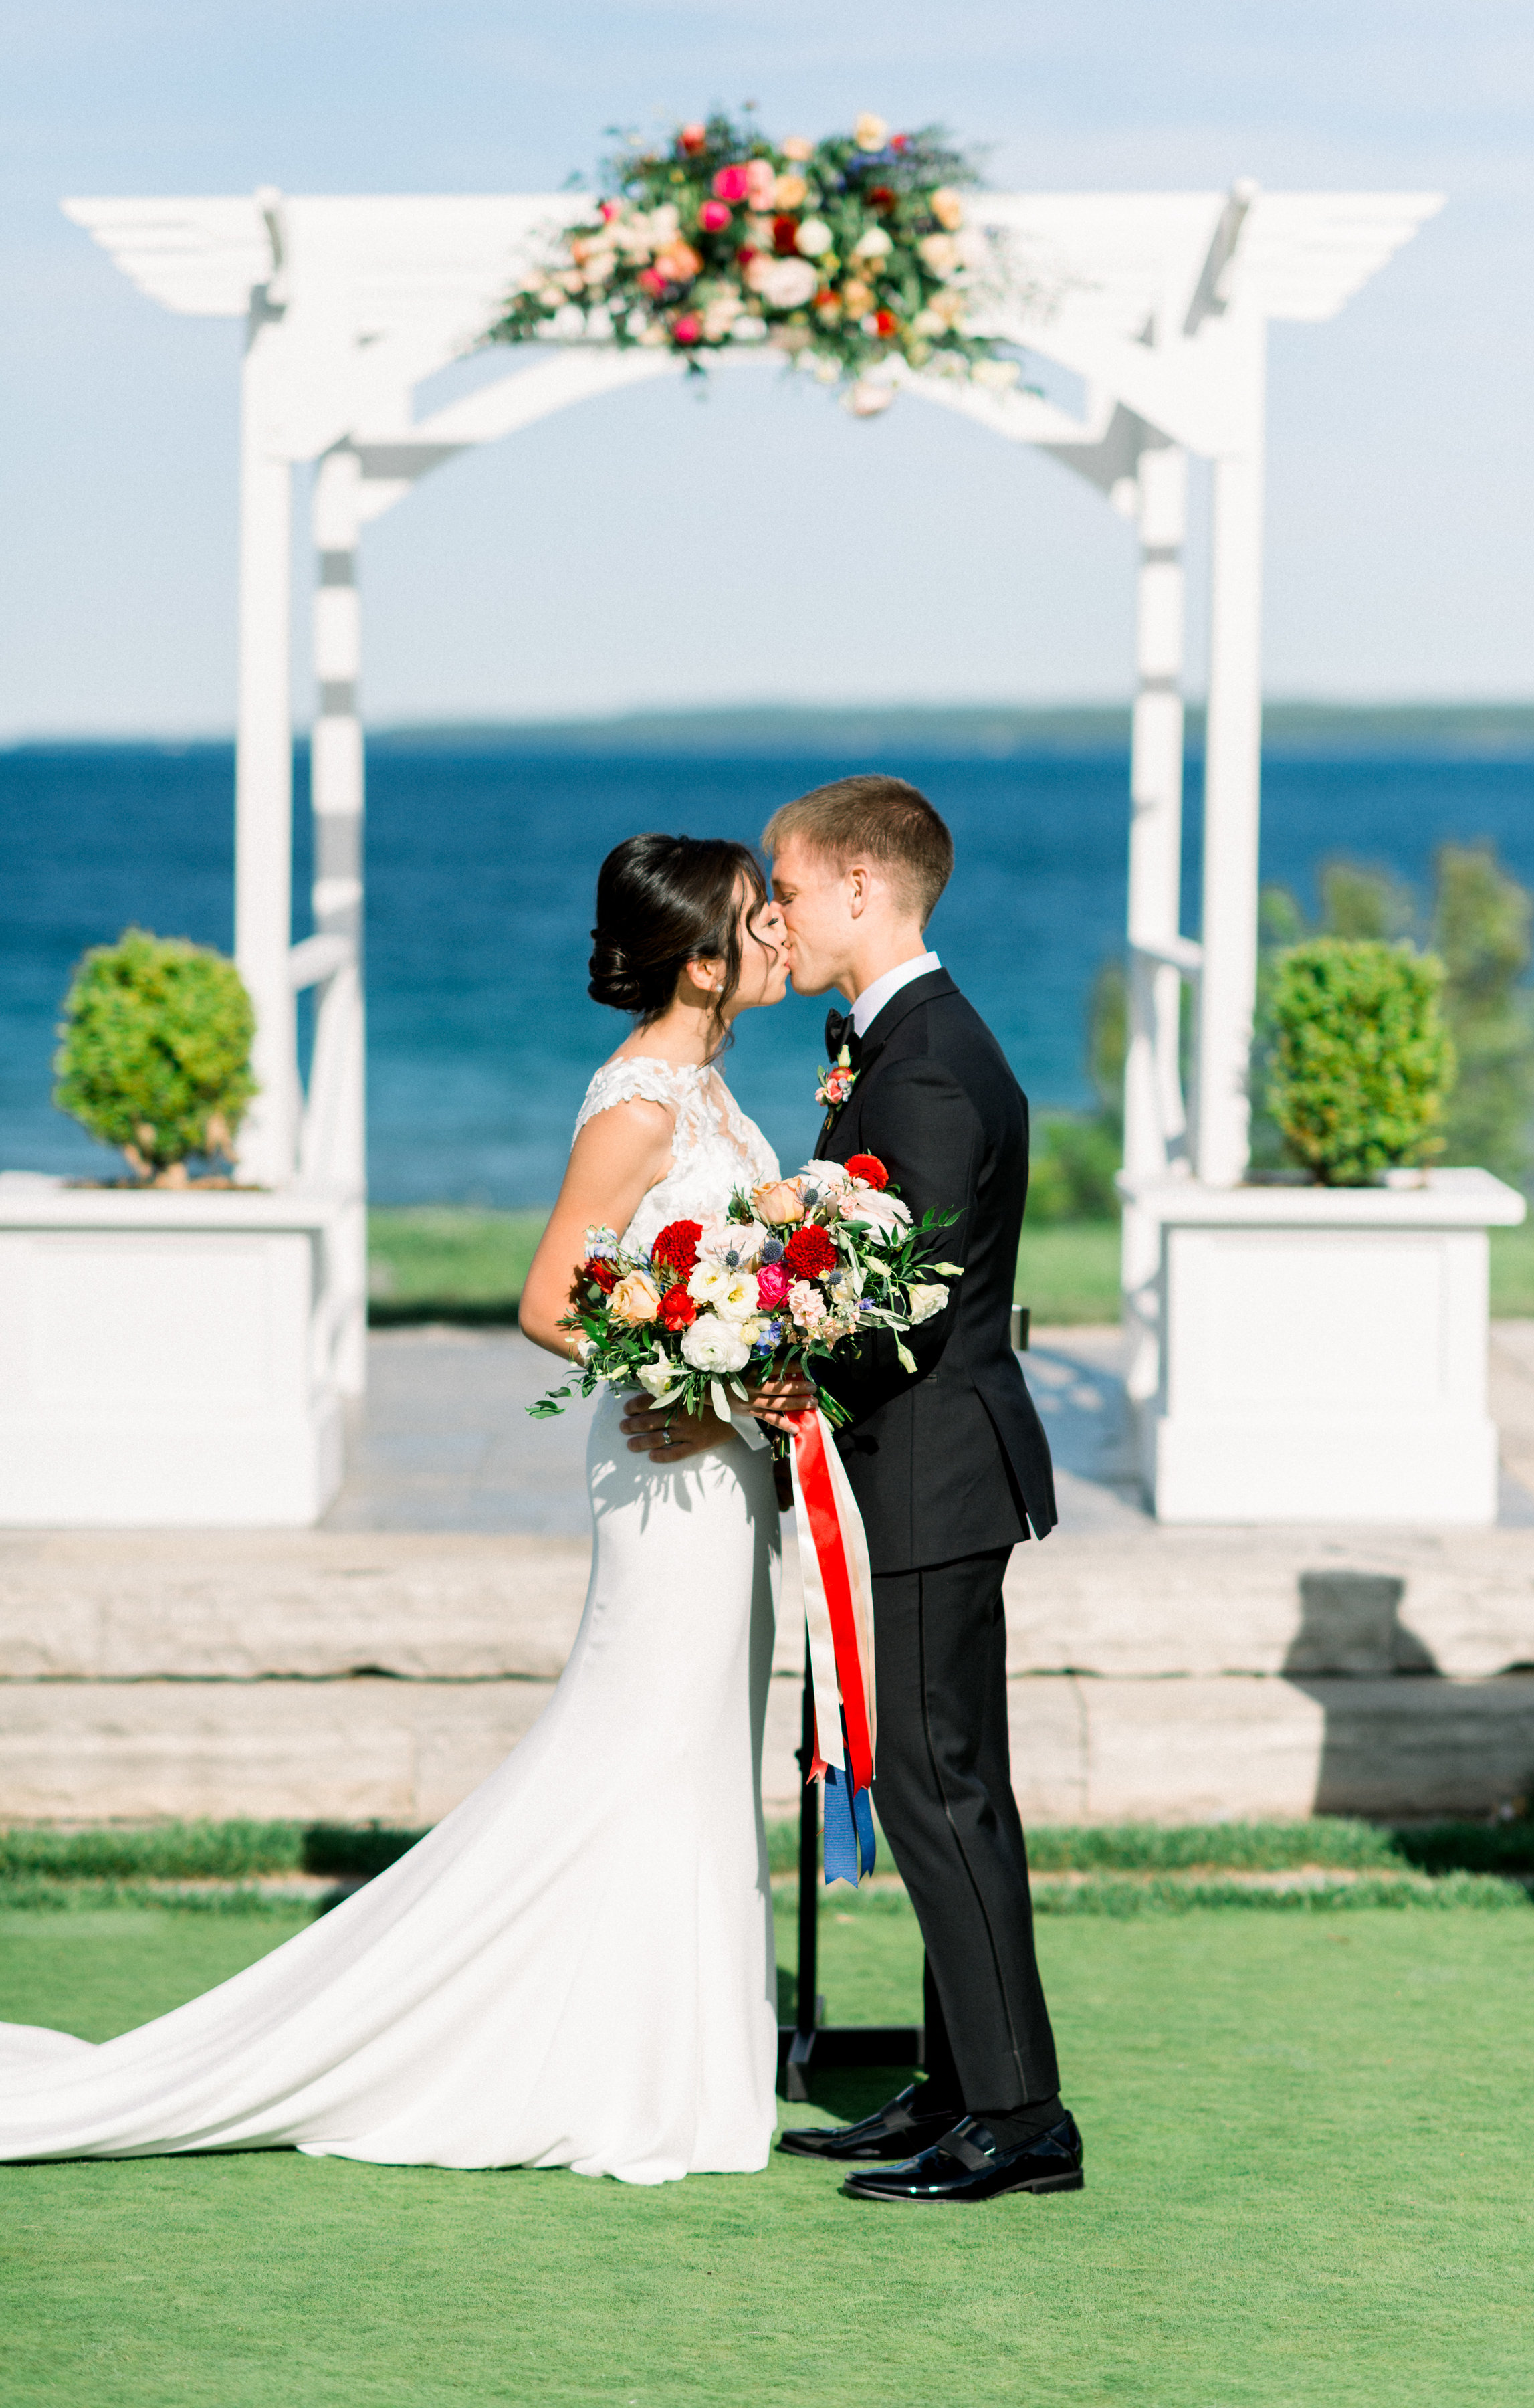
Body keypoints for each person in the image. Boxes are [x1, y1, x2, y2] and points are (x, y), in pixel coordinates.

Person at [0, 833, 808, 2187]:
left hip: (721, 1471)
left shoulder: (712, 1092)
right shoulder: (641, 1108)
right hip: (669, 1472)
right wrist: (713, 1386)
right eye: (756, 921)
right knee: (638, 1751)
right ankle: (573, 2062)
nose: (782, 936)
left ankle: (652, 2046)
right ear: (705, 962)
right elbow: (550, 1297)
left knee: (689, 1754)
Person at [772, 772, 1083, 2205]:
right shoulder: (899, 1046)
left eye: (785, 883)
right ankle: (961, 2086)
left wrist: (781, 1367)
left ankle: (1018, 2119)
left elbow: (907, 1302)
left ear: (856, 887)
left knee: (938, 1791)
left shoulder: (932, 1066)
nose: (774, 909)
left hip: (929, 1476)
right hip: (926, 1471)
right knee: (949, 1787)